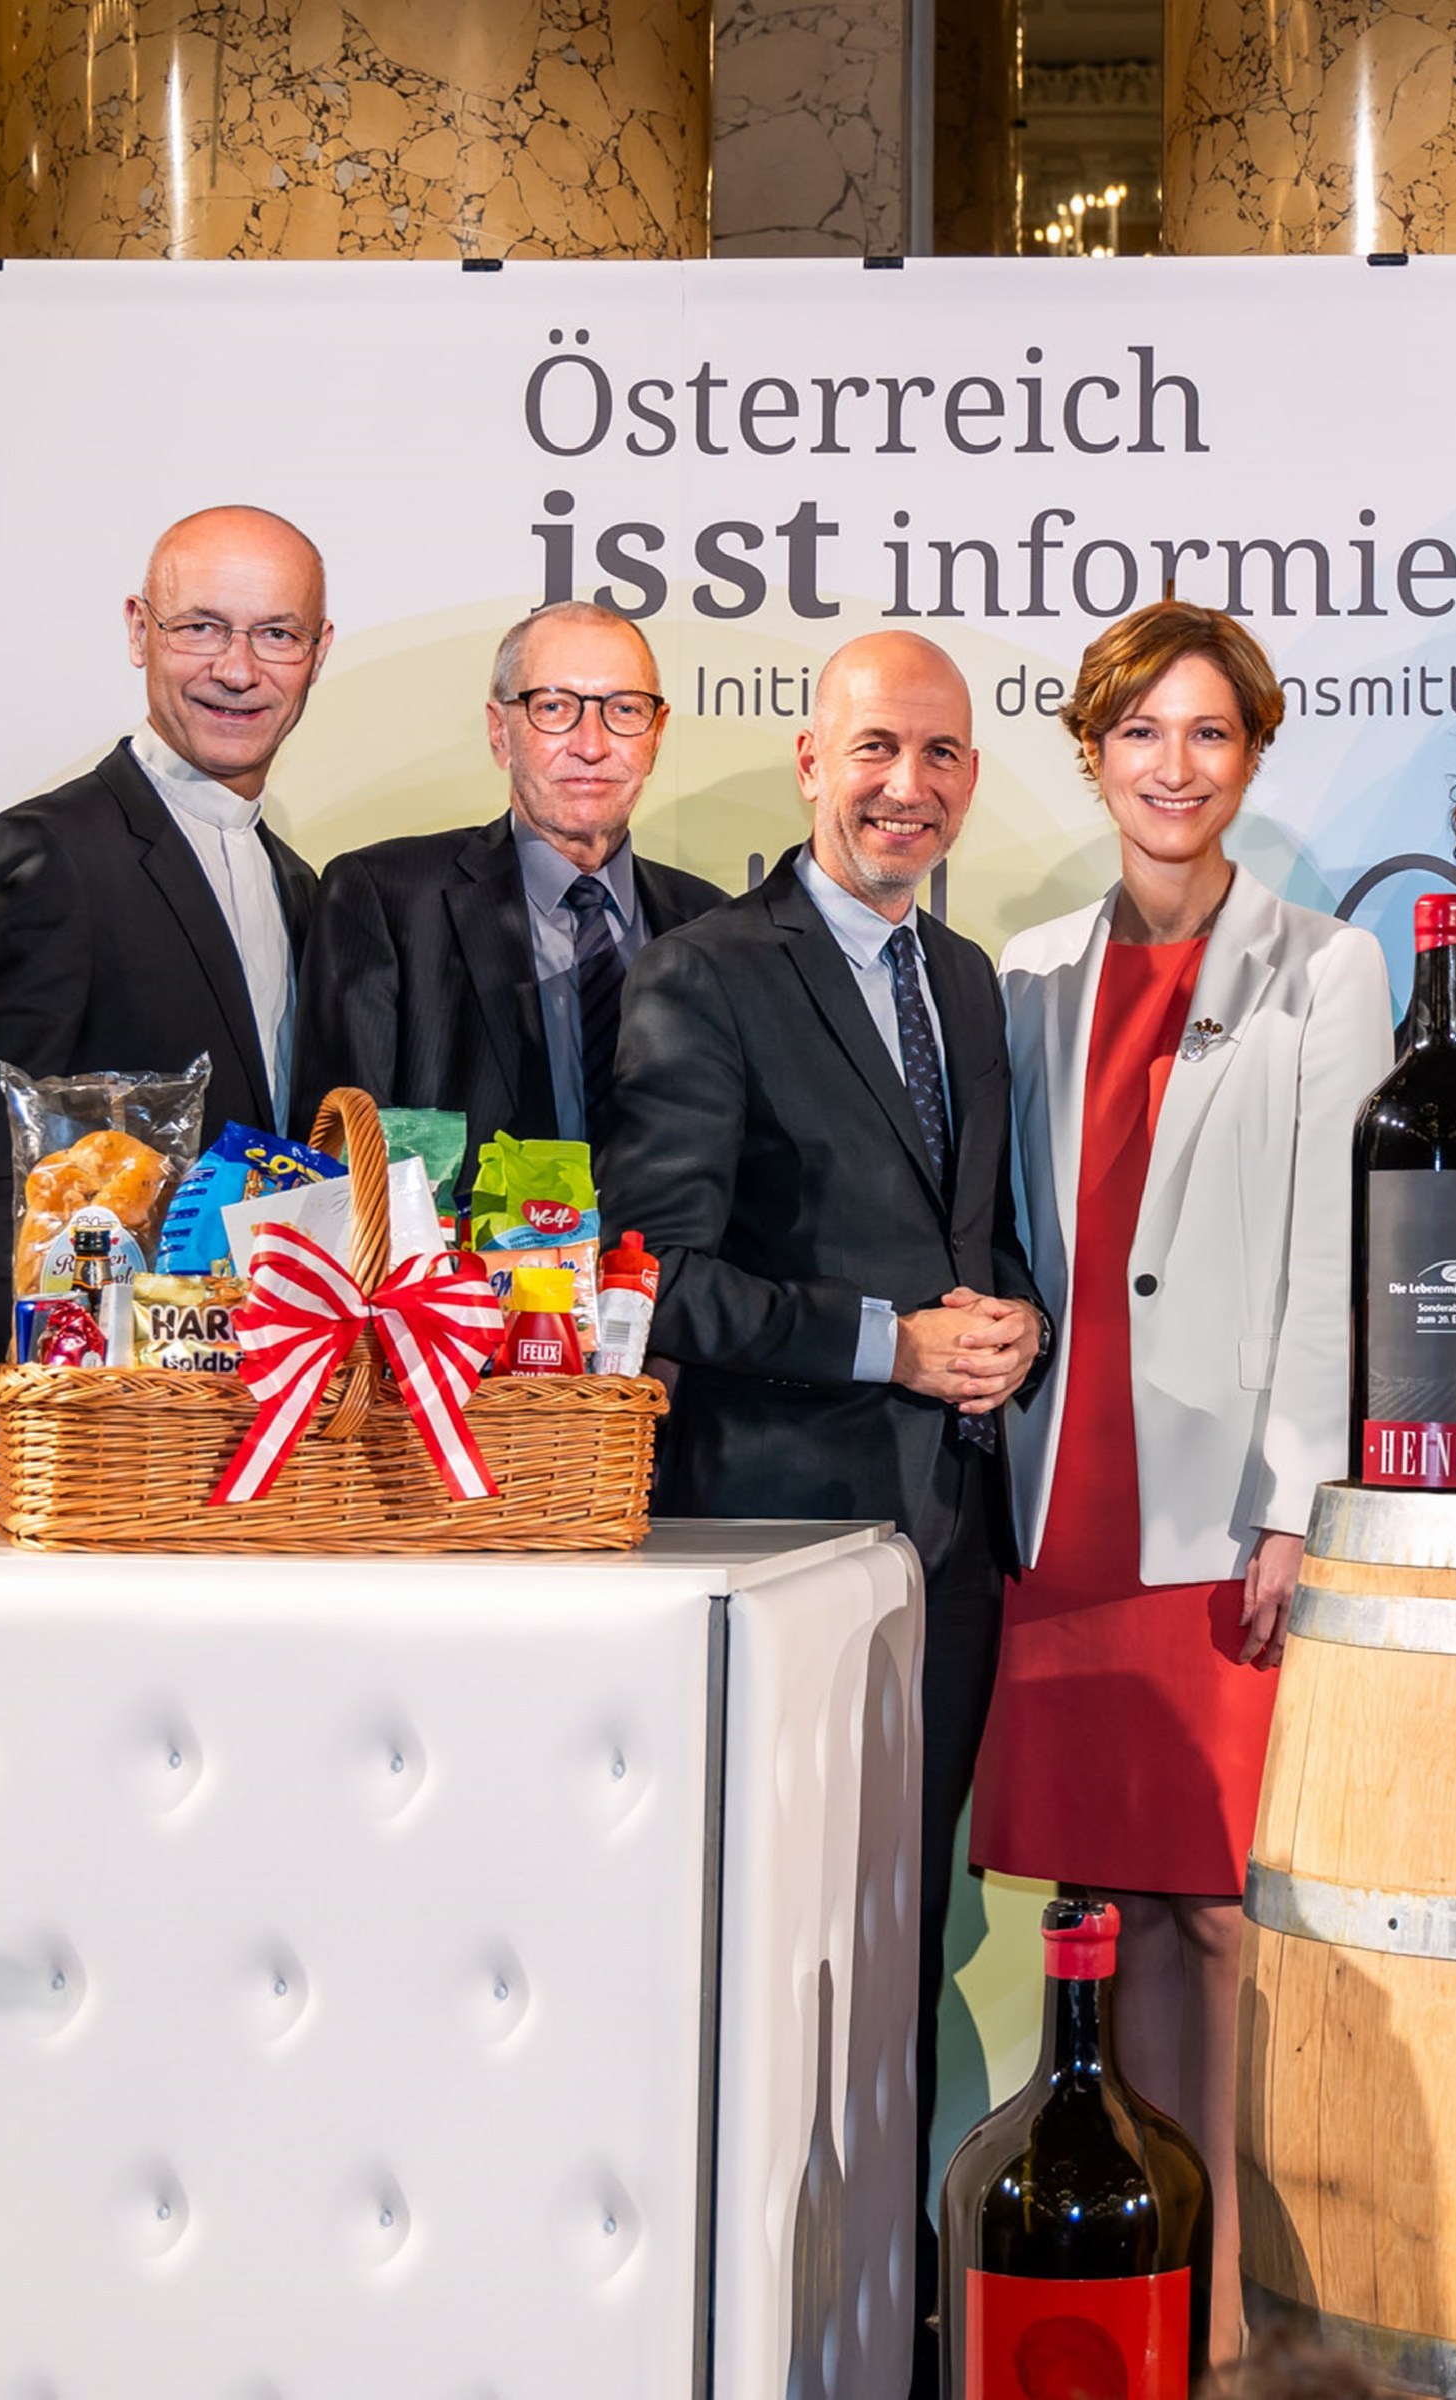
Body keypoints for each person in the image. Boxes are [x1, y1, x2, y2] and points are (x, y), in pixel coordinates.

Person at [591, 629, 1048, 2379]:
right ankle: (755, 2322)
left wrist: (1017, 1326)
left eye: (938, 757)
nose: (904, 789)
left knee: (908, 1948)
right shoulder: (701, 975)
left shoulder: (974, 985)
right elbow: (653, 1275)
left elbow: (978, 1246)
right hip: (780, 1554)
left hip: (949, 1552)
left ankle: (892, 2325)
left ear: (971, 780)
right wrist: (892, 1345)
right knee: (773, 1968)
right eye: (873, 749)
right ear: (808, 762)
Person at [974, 601, 1390, 2364]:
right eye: (1141, 732)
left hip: (1220, 1504)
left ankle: (1220, 2326)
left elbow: (1338, 1259)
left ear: (1252, 757)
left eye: (1210, 733)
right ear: (1093, 756)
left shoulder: (1326, 968)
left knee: (1214, 1915)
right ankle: (1111, 2290)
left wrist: (1299, 1499)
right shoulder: (1023, 971)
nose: (1175, 766)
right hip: (1058, 1494)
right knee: (1095, 1911)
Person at [0, 504, 328, 1519]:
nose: (237, 669)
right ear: (140, 630)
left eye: (276, 633)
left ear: (316, 654)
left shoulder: (304, 889)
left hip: (248, 1452)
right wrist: (79, 1398)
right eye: (201, 627)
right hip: (74, 1463)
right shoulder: (46, 855)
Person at [292, 601, 722, 1155]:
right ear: (500, 732)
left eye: (624, 710)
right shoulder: (383, 897)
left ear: (656, 734)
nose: (591, 745)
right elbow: (339, 1164)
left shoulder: (711, 923)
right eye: (554, 707)